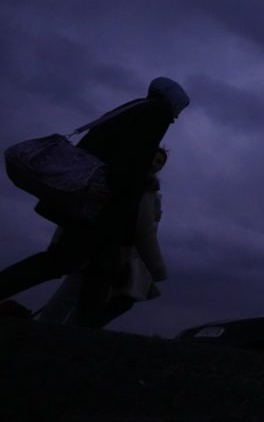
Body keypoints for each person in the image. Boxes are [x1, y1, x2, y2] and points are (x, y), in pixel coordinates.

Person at [0, 78, 188, 327]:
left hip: (89, 200)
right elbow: (131, 159)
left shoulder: (132, 108)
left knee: (91, 267)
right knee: (75, 264)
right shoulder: (157, 112)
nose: (175, 118)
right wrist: (119, 196)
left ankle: (84, 333)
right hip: (104, 206)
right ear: (173, 100)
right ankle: (84, 335)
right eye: (179, 109)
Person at [37, 148, 169, 327]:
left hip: (126, 256)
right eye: (153, 158)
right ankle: (52, 331)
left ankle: (69, 331)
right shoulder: (119, 179)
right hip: (98, 246)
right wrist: (157, 268)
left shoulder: (152, 193)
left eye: (160, 162)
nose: (155, 164)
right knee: (75, 292)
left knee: (115, 299)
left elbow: (147, 229)